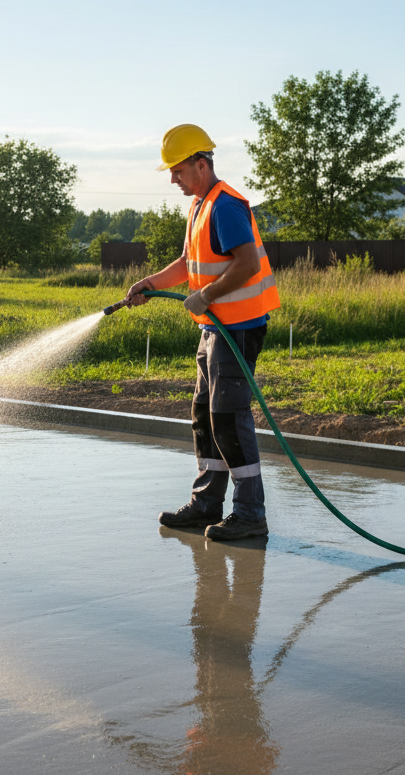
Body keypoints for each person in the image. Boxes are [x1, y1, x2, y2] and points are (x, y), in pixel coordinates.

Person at [126, 124, 280, 541]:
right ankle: (206, 504)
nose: (172, 179)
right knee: (204, 416)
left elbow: (246, 263)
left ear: (201, 163)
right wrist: (152, 283)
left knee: (229, 419)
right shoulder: (200, 205)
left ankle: (250, 513)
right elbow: (187, 262)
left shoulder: (226, 205)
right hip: (214, 329)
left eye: (177, 170)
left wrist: (207, 294)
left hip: (238, 328)